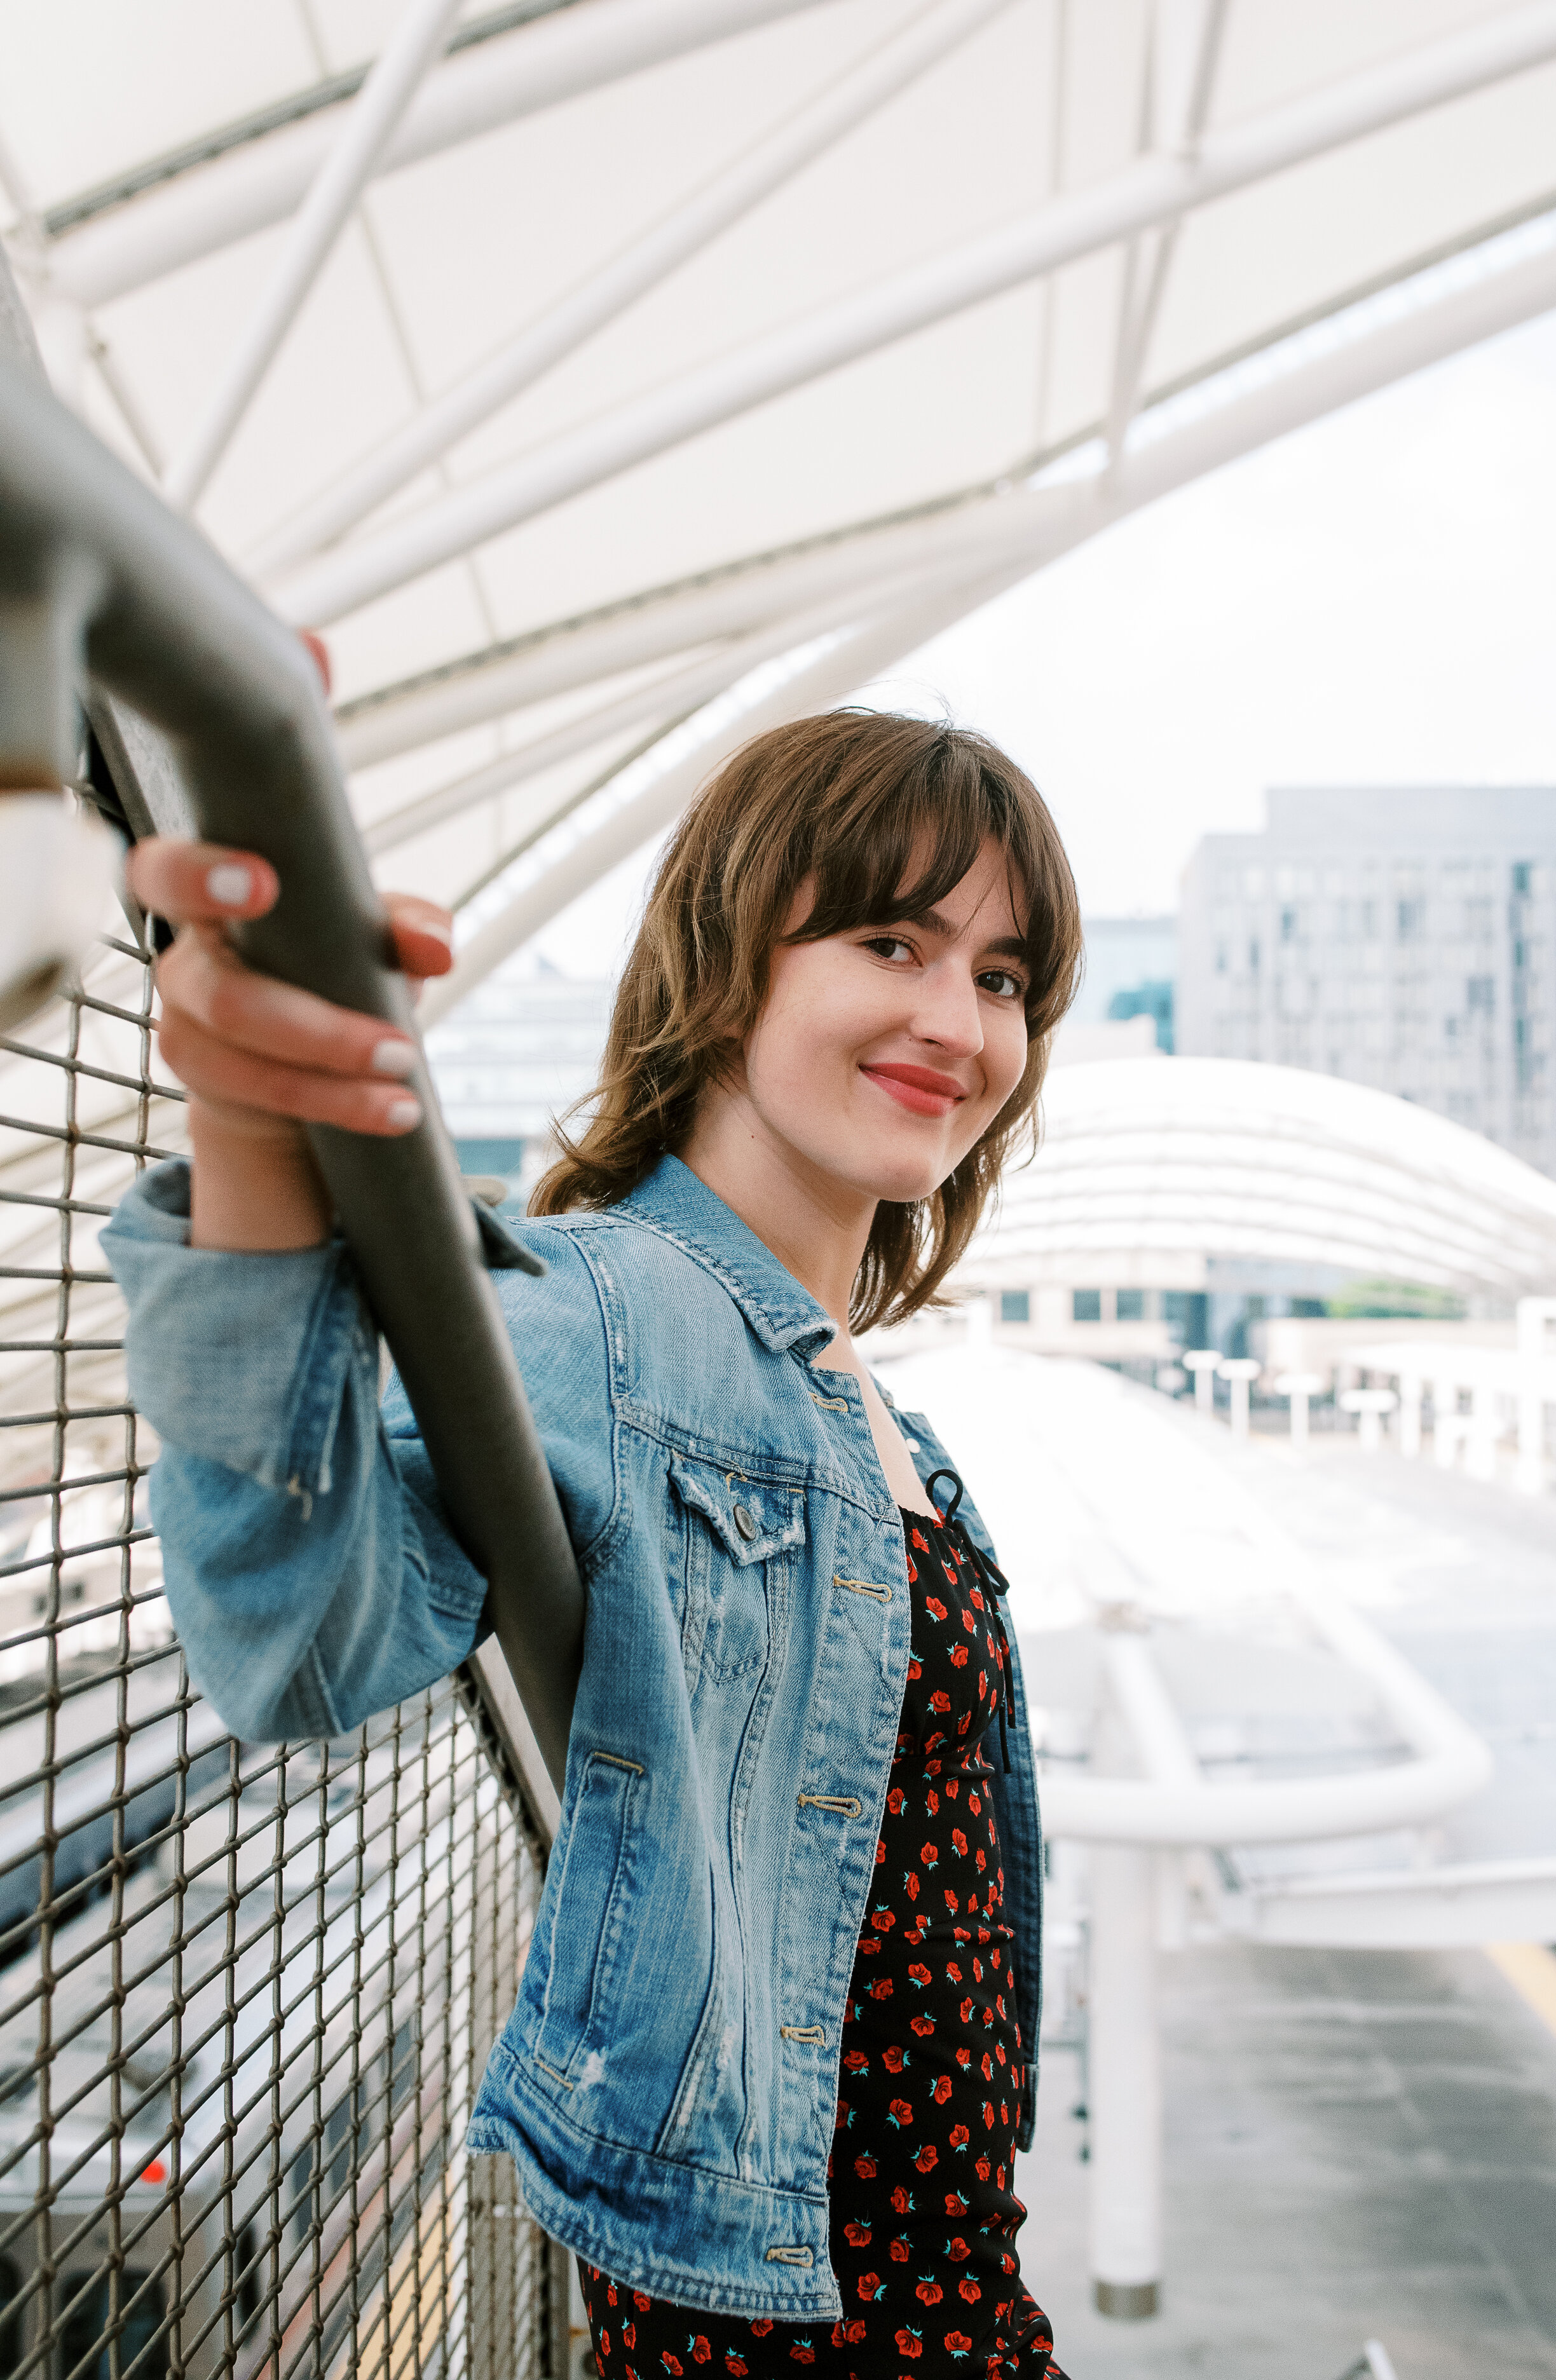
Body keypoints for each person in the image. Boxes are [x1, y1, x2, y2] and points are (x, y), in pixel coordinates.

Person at [105, 709, 1082, 2377]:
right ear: (724, 961)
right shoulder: (599, 1309)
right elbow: (294, 1639)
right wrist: (254, 1128)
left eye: (1001, 976)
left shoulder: (863, 1397)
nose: (954, 1020)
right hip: (792, 2325)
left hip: (940, 2295)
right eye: (889, 941)